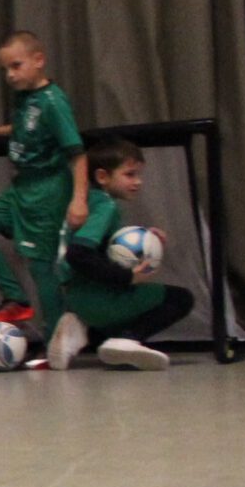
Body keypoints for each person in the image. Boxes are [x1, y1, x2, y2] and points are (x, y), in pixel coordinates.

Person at [0, 31, 86, 342]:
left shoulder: (55, 102)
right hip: (21, 187)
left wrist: (79, 199)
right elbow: (27, 126)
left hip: (47, 190)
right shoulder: (26, 98)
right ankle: (15, 298)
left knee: (41, 266)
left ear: (38, 60)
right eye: (5, 69)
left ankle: (56, 337)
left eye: (16, 66)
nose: (10, 75)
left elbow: (77, 153)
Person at [46, 137, 192, 371]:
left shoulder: (85, 201)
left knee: (125, 306)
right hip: (96, 297)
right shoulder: (106, 206)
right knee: (180, 298)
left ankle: (79, 328)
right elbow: (79, 254)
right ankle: (127, 339)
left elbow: (102, 246)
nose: (138, 182)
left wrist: (145, 238)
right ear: (102, 177)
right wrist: (127, 277)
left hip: (74, 296)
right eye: (130, 174)